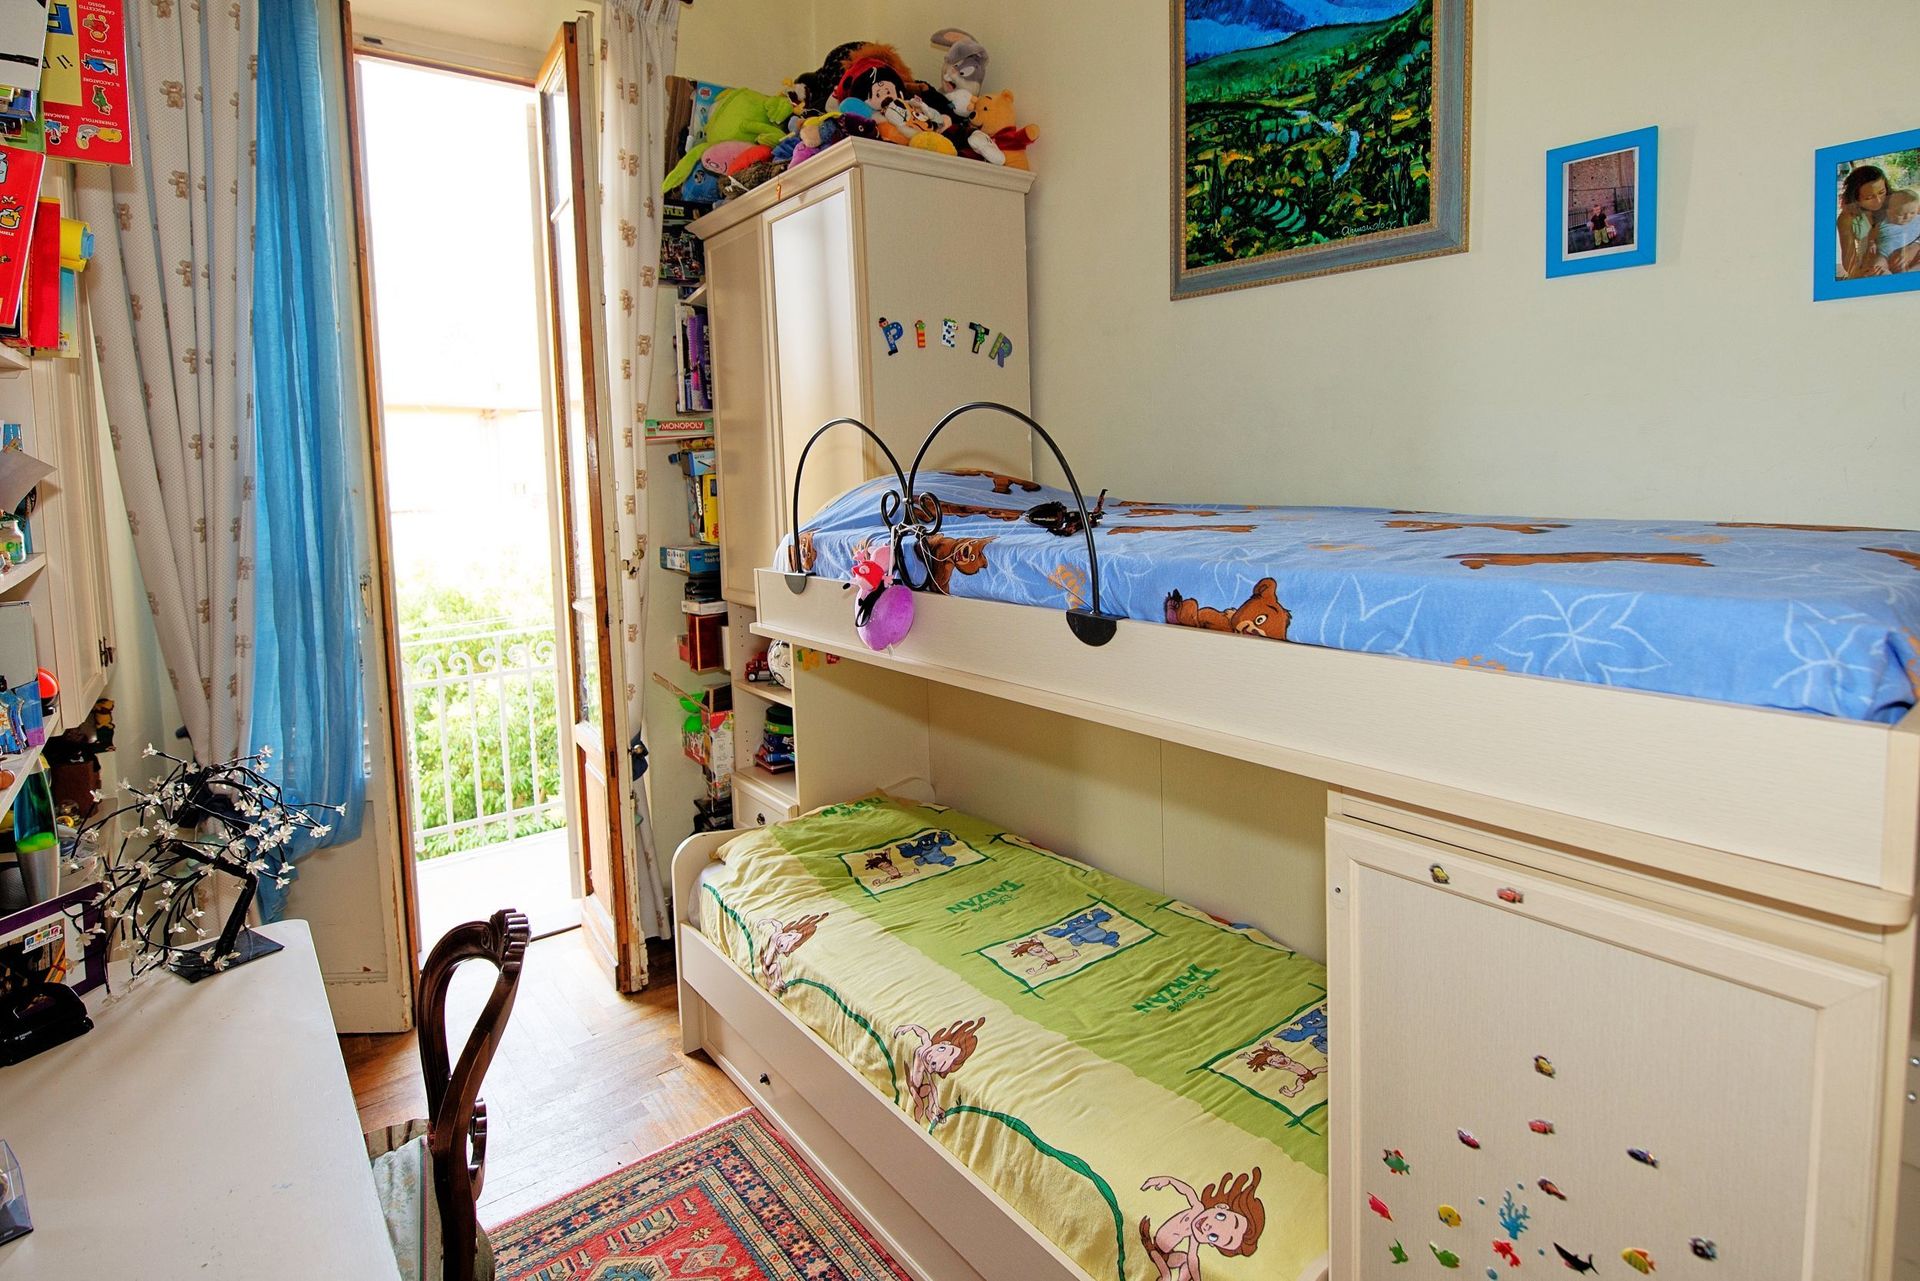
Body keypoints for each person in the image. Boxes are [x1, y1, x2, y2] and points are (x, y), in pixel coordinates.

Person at [1838, 164, 1890, 278]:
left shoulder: (1899, 201)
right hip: (1869, 268)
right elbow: (1849, 261)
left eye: (1881, 192)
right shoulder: (1847, 218)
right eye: (1869, 197)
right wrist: (1866, 271)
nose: (1878, 200)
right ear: (1855, 198)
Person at [1874, 188, 1920, 273]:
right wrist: (1871, 242)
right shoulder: (1883, 223)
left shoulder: (1918, 220)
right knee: (1877, 266)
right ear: (1889, 212)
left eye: (1912, 213)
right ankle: (1885, 274)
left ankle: (1909, 274)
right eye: (1901, 214)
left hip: (1910, 254)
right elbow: (1873, 234)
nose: (1907, 217)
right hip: (1885, 254)